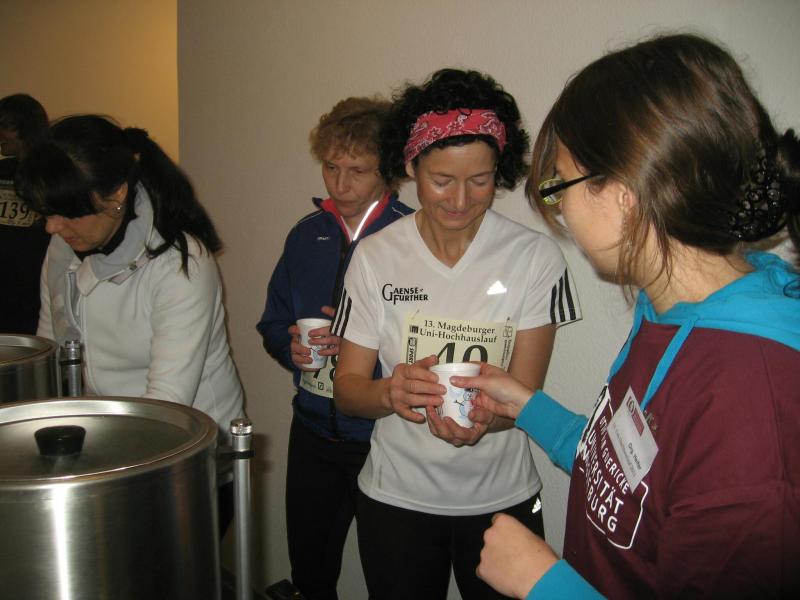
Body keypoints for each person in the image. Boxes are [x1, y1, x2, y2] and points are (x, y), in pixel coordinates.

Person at [453, 34, 800, 599]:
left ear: (625, 192)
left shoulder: (749, 401)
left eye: (561, 184)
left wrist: (543, 583)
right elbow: (630, 480)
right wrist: (526, 406)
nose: (560, 209)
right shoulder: (667, 314)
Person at [332, 69, 581, 599]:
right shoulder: (375, 257)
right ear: (411, 166)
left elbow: (525, 395)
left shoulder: (534, 258)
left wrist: (487, 420)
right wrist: (389, 392)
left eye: (481, 180)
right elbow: (347, 390)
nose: (461, 200)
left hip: (503, 501)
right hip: (395, 498)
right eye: (442, 180)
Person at [15, 114, 245, 536]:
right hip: (107, 443)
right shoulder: (63, 248)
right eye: (48, 213)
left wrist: (97, 476)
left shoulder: (180, 265)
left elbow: (165, 406)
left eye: (65, 212)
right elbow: (50, 349)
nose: (52, 226)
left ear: (116, 193)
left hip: (185, 456)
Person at [256, 96, 413, 600]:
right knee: (310, 574)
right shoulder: (305, 236)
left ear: (387, 171)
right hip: (311, 431)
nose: (340, 185)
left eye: (357, 171)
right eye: (330, 167)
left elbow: (426, 343)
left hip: (382, 437)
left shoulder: (412, 237)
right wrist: (290, 346)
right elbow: (273, 320)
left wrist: (361, 345)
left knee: (392, 580)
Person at [0, 93, 50, 334]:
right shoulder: (2, 170)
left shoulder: (52, 175)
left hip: (35, 288)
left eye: (4, 126)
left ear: (24, 127)